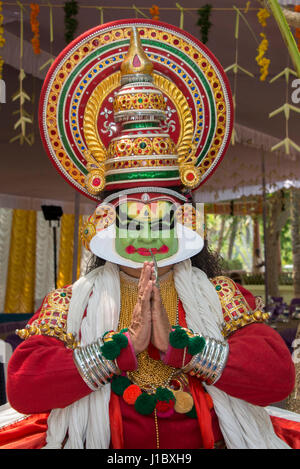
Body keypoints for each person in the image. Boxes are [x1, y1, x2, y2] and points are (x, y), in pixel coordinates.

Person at [1, 20, 298, 450]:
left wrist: (187, 348)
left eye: (160, 220)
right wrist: (118, 349)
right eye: (132, 220)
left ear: (186, 223)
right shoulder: (71, 304)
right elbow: (24, 385)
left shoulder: (221, 297)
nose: (147, 235)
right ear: (103, 224)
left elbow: (276, 376)